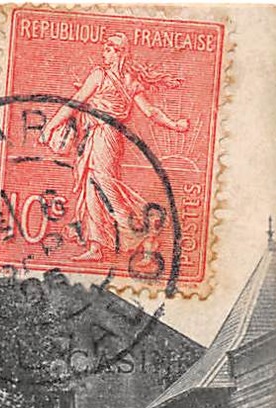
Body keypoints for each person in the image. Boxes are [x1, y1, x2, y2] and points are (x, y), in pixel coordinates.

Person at [40, 31, 189, 263]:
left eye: (108, 49)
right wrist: (175, 125)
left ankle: (142, 232)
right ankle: (97, 246)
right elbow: (149, 112)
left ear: (119, 53)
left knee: (104, 186)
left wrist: (50, 126)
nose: (104, 53)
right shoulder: (126, 80)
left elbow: (76, 103)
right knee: (91, 188)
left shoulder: (102, 76)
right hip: (98, 137)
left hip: (105, 137)